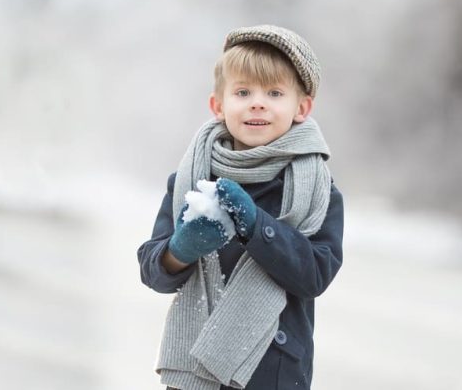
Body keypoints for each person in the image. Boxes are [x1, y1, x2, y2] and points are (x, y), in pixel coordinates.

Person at [137, 24, 344, 390]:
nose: (257, 102)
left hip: (271, 373)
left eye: (275, 92)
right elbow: (153, 271)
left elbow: (314, 276)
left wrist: (256, 225)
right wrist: (180, 251)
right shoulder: (192, 178)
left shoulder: (317, 189)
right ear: (218, 105)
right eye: (243, 91)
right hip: (193, 373)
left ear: (302, 107)